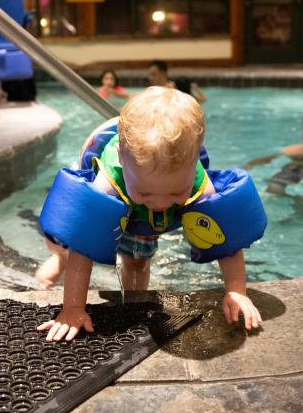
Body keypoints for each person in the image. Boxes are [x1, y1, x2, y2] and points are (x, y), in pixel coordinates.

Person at [35, 86, 267, 341]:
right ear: (123, 160)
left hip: (140, 216)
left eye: (176, 193)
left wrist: (236, 291)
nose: (160, 204)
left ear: (194, 164)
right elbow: (84, 245)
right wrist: (73, 309)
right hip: (115, 197)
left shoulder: (201, 185)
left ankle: (134, 305)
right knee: (68, 237)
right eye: (146, 194)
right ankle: (59, 258)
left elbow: (226, 243)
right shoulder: (106, 183)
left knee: (137, 261)